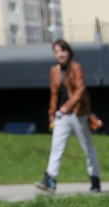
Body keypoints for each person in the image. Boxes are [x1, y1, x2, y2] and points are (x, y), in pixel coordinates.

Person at [35, 39, 101, 194]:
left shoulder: (76, 68)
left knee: (88, 149)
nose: (60, 54)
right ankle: (50, 180)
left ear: (69, 52)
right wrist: (52, 114)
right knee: (56, 147)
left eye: (62, 51)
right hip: (62, 116)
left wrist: (68, 105)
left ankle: (95, 180)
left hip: (79, 114)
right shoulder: (55, 70)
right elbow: (54, 94)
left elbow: (80, 90)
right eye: (57, 52)